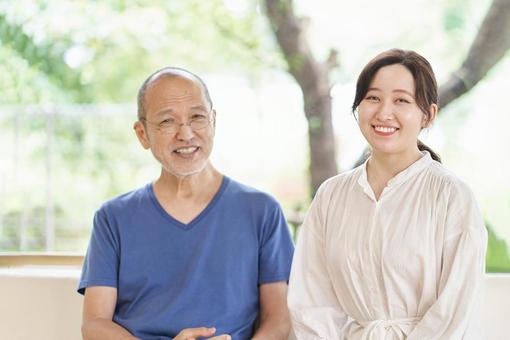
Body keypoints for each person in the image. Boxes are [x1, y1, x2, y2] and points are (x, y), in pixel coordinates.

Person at [78, 67, 294, 340]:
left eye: (197, 117)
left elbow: (279, 320)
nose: (186, 134)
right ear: (142, 134)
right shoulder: (112, 218)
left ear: (213, 121)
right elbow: (95, 324)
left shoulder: (262, 211)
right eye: (167, 122)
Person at [288, 49, 487, 339]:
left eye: (401, 100)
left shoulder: (451, 196)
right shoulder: (331, 195)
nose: (383, 113)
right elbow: (311, 301)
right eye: (373, 98)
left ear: (428, 115)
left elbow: (455, 311)